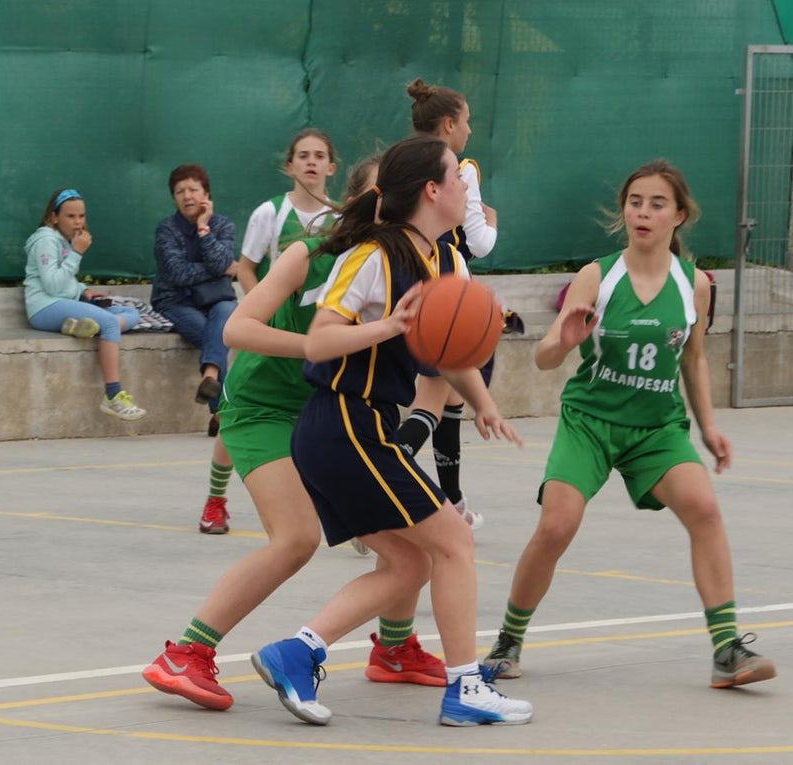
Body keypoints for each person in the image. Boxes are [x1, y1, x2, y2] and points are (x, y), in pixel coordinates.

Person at [142, 152, 448, 711]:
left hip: (324, 412)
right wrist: (310, 345)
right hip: (261, 407)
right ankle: (186, 652)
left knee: (406, 535)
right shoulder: (310, 252)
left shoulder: (406, 263)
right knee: (297, 538)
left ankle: (396, 649)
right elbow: (237, 328)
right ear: (369, 201)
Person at [250, 135, 533, 728]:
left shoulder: (435, 258)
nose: (464, 187)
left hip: (355, 428)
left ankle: (295, 653)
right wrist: (387, 326)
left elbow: (443, 346)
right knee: (454, 541)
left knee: (411, 565)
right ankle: (465, 689)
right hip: (346, 424)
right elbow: (321, 340)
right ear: (432, 190)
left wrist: (482, 402)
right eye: (457, 176)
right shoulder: (373, 256)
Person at [483, 160, 777, 690]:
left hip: (656, 428)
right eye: (635, 201)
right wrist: (563, 340)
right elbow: (545, 359)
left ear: (679, 215)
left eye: (657, 203)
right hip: (590, 422)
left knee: (704, 507)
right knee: (556, 526)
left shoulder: (696, 285)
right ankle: (508, 641)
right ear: (624, 210)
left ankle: (727, 650)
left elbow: (694, 359)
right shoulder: (598, 276)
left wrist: (708, 427)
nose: (643, 211)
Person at [395, 78, 499, 530]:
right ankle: (385, 482)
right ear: (449, 123)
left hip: (401, 269)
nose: (470, 131)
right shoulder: (458, 167)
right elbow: (480, 241)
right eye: (468, 122)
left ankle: (452, 500)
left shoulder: (397, 162)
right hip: (445, 281)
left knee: (445, 396)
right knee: (436, 399)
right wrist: (492, 220)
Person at [151, 164, 239, 532]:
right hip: (176, 302)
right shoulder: (166, 230)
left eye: (193, 190)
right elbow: (177, 274)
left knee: (225, 310)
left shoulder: (223, 226)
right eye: (180, 192)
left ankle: (210, 376)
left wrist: (204, 231)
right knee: (210, 331)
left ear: (206, 194)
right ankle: (221, 405)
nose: (188, 196)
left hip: (216, 301)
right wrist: (217, 269)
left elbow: (224, 263)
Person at [24, 188, 146, 421]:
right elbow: (51, 285)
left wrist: (84, 291)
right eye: (71, 216)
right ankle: (112, 395)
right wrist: (77, 253)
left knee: (131, 312)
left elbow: (65, 281)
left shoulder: (65, 240)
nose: (78, 222)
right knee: (110, 323)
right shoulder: (46, 240)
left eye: (81, 216)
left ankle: (78, 326)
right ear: (54, 217)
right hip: (43, 307)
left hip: (63, 301)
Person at [236, 129, 338, 293]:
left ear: (331, 168)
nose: (311, 162)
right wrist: (259, 313)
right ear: (290, 167)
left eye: (319, 156)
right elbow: (245, 270)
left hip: (324, 316)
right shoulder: (268, 213)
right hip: (278, 316)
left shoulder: (341, 216)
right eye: (303, 156)